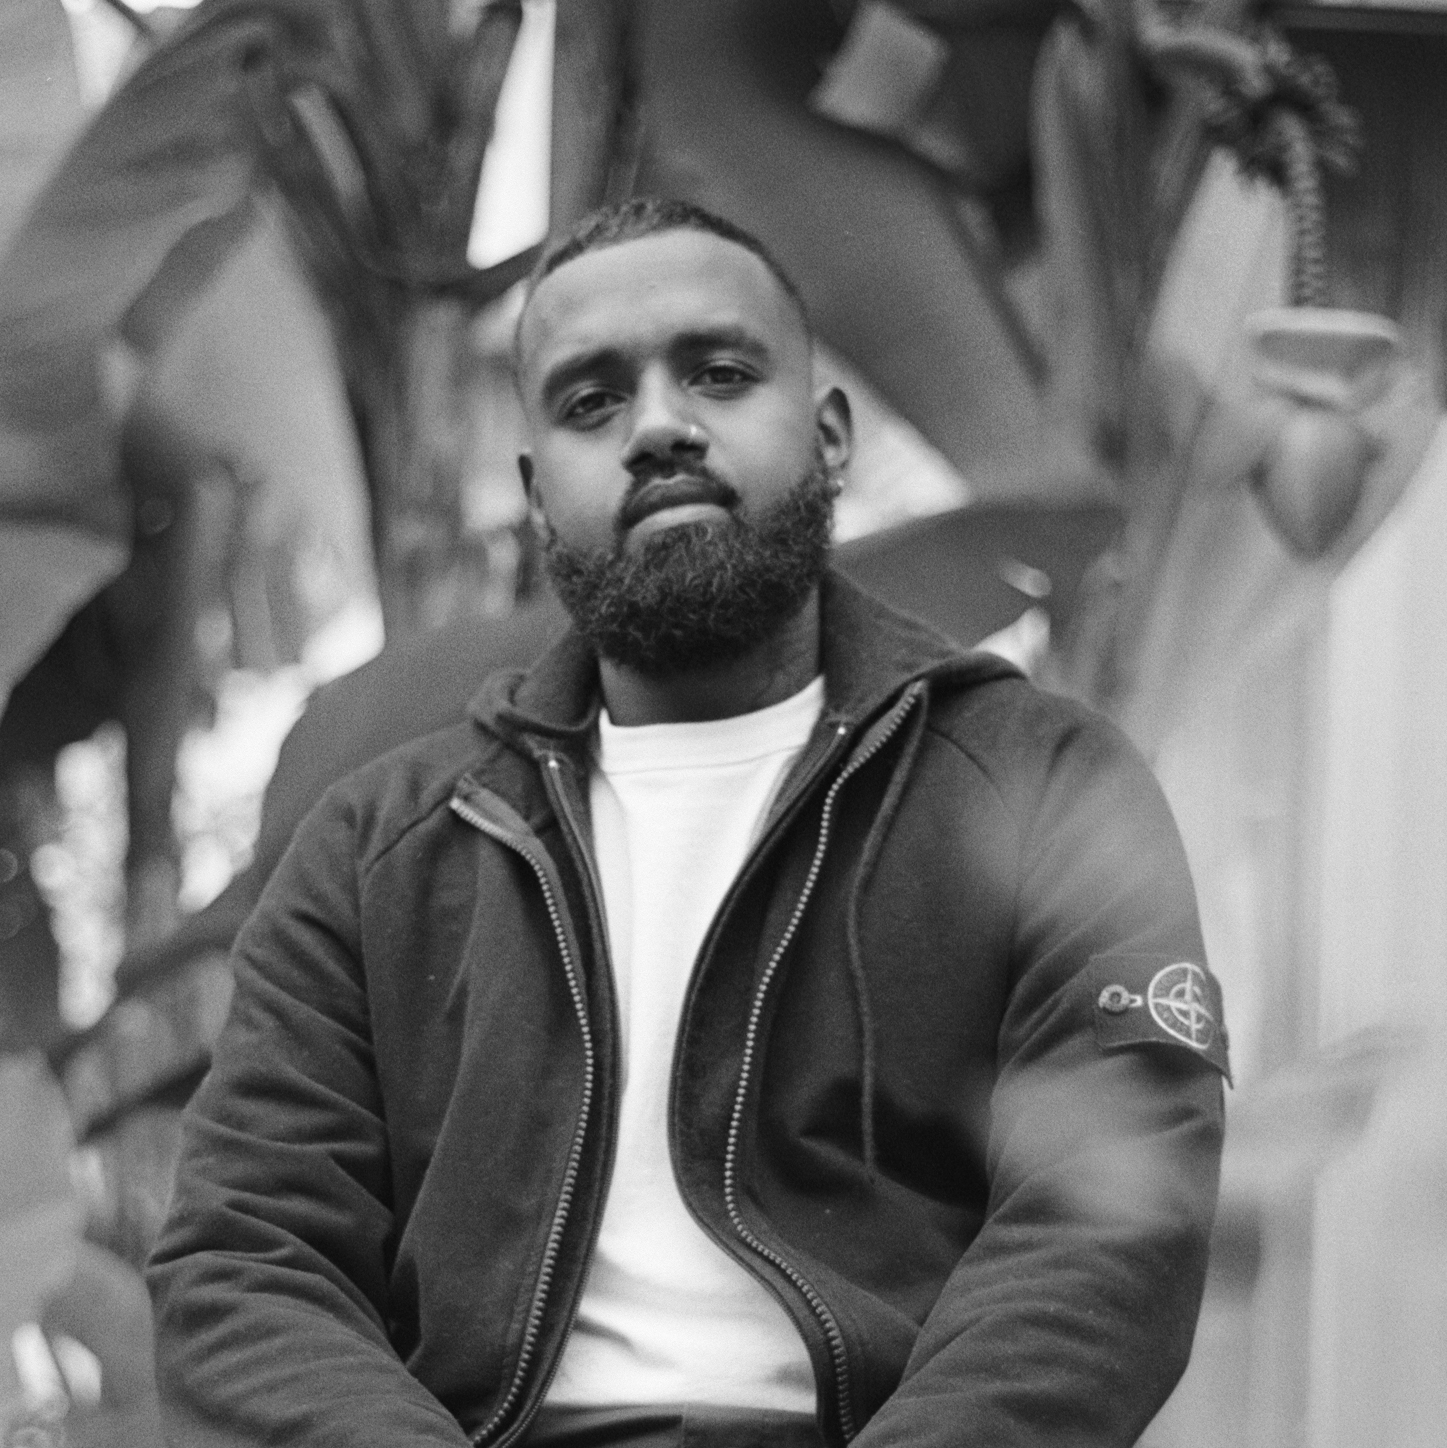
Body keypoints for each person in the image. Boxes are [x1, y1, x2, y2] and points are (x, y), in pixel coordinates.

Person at [147, 198, 1229, 1448]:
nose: (660, 424)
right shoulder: (380, 847)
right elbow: (248, 1249)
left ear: (827, 434)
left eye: (718, 372)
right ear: (536, 492)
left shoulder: (1043, 784)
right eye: (591, 402)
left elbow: (1108, 1237)